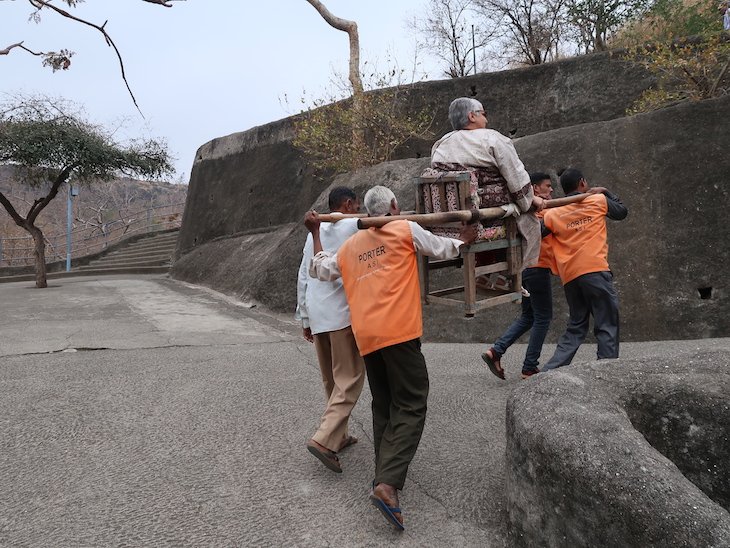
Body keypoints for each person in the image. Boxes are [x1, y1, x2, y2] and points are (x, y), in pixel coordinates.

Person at [304, 185, 478, 532]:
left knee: (384, 404)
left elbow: (319, 268)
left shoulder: (351, 247)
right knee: (412, 402)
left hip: (367, 337)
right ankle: (387, 485)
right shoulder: (404, 228)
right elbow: (444, 249)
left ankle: (380, 475)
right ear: (395, 207)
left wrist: (315, 234)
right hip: (399, 333)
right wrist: (465, 239)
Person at [428, 97, 545, 269]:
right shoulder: (492, 139)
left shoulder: (440, 144)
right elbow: (516, 177)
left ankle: (484, 267)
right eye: (484, 114)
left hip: (446, 223)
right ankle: (505, 272)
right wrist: (529, 200)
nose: (486, 119)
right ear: (472, 116)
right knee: (528, 218)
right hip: (486, 221)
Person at [295, 186, 365, 474]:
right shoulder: (354, 226)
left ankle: (340, 435)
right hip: (340, 314)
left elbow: (303, 275)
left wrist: (304, 318)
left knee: (331, 381)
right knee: (349, 379)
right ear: (349, 204)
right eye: (356, 205)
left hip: (317, 312)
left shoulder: (315, 231)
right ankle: (324, 439)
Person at [541, 168, 628, 371]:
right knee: (606, 320)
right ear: (582, 183)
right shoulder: (598, 201)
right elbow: (622, 212)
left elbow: (536, 233)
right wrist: (606, 191)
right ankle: (607, 369)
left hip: (570, 276)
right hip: (595, 269)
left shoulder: (553, 213)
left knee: (577, 325)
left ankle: (550, 370)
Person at [481, 172, 557, 380]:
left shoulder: (535, 209)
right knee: (543, 317)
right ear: (535, 188)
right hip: (536, 267)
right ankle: (529, 367)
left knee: (529, 316)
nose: (551, 190)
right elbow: (538, 231)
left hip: (526, 269)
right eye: (547, 186)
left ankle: (496, 351)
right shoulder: (533, 210)